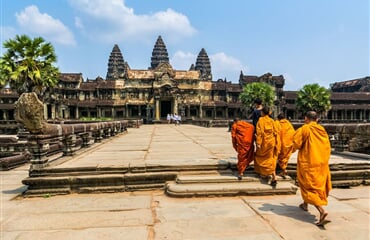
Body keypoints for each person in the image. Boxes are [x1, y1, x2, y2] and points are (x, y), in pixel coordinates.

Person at [293, 111, 331, 226]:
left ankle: (321, 211)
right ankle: (305, 204)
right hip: (321, 163)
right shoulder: (322, 130)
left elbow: (296, 144)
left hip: (309, 162)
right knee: (310, 185)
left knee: (309, 187)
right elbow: (327, 146)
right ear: (317, 119)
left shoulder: (305, 129)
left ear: (306, 118)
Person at [254, 106, 280, 186]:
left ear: (262, 113)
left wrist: (258, 143)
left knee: (261, 158)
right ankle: (272, 176)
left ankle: (268, 175)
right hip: (271, 142)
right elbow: (276, 132)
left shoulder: (260, 121)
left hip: (264, 143)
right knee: (270, 159)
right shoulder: (272, 121)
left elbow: (259, 133)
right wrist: (277, 143)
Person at [275, 113, 295, 178]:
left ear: (278, 118)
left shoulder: (277, 123)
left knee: (280, 157)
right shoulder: (289, 124)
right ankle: (283, 170)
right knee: (285, 158)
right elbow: (293, 133)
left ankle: (283, 170)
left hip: (281, 144)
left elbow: (275, 132)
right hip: (288, 143)